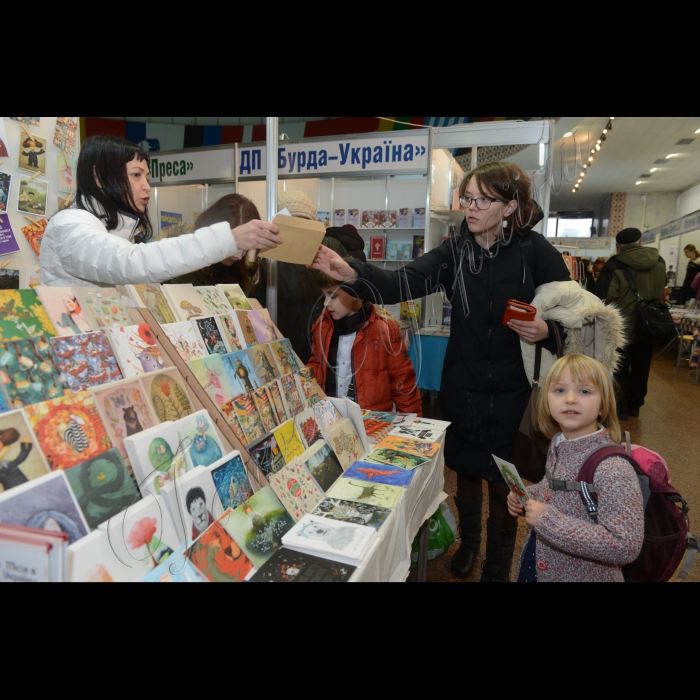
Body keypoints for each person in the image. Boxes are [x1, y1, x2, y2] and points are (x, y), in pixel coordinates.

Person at [310, 162, 572, 582]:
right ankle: (469, 545)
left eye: (482, 200)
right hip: (464, 382)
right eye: (467, 198)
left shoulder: (536, 252)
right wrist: (353, 274)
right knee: (466, 468)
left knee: (504, 479)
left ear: (508, 207)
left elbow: (577, 315)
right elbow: (402, 283)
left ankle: (499, 563)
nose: (470, 208)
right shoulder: (455, 250)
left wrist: (548, 329)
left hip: (513, 390)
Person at [40, 136, 282, 287]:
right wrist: (228, 239)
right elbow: (131, 263)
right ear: (99, 177)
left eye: (147, 176)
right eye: (136, 175)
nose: (147, 186)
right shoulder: (69, 225)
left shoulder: (120, 230)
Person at [509, 354, 645, 583]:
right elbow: (552, 485)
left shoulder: (613, 469)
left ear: (603, 405)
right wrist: (527, 495)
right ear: (546, 400)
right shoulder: (559, 442)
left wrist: (548, 522)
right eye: (560, 390)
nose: (570, 399)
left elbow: (625, 545)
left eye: (584, 391)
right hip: (542, 563)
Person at [307, 272, 422, 415]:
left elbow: (403, 382)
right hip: (331, 418)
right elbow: (316, 364)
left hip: (372, 423)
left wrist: (414, 422)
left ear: (355, 293)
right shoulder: (322, 327)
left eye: (333, 296)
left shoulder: (385, 331)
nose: (325, 303)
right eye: (324, 296)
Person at [255, 191, 350, 364]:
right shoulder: (269, 256)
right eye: (292, 224)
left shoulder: (329, 247)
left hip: (327, 346)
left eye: (304, 224)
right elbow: (258, 304)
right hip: (283, 346)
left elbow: (351, 293)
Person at [596, 228, 666, 420]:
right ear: (640, 241)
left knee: (619, 367)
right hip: (648, 323)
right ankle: (636, 406)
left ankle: (620, 407)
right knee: (642, 365)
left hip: (622, 327)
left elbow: (605, 297)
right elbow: (661, 288)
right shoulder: (659, 261)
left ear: (618, 245)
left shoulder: (614, 264)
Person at [171, 194, 264, 291]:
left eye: (245, 248)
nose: (239, 256)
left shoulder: (243, 272)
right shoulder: (181, 259)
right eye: (235, 245)